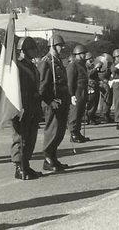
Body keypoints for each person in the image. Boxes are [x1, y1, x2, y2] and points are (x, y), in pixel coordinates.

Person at [11, 37, 43, 180]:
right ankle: (19, 166)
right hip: (22, 105)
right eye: (31, 49)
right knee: (21, 137)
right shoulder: (17, 67)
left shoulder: (31, 66)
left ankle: (26, 164)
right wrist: (18, 107)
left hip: (33, 104)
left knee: (31, 137)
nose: (34, 51)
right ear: (23, 51)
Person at [37, 34, 70, 171]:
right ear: (53, 46)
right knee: (52, 130)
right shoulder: (46, 62)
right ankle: (47, 159)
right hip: (52, 102)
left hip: (61, 101)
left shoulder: (57, 61)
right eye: (60, 45)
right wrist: (50, 101)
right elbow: (42, 87)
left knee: (60, 131)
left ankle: (53, 157)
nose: (62, 48)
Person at [67, 44, 90, 143]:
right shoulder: (73, 65)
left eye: (84, 53)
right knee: (75, 112)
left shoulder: (82, 65)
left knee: (80, 112)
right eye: (82, 54)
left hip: (83, 89)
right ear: (77, 54)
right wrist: (71, 95)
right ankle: (73, 133)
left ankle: (78, 132)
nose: (85, 55)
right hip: (77, 90)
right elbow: (70, 81)